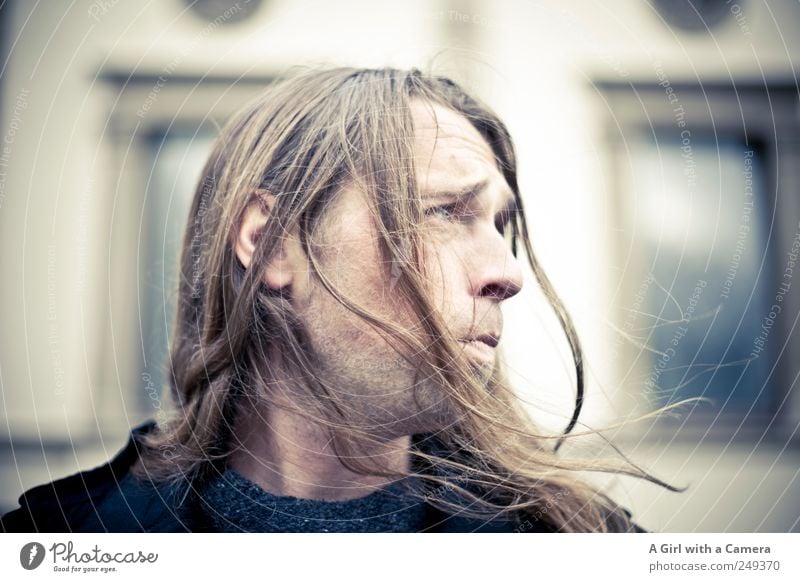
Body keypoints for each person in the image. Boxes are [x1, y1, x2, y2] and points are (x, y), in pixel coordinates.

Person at [2, 67, 672, 533]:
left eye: (500, 224)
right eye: (444, 212)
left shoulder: (580, 545)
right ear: (271, 244)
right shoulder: (61, 541)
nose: (508, 272)